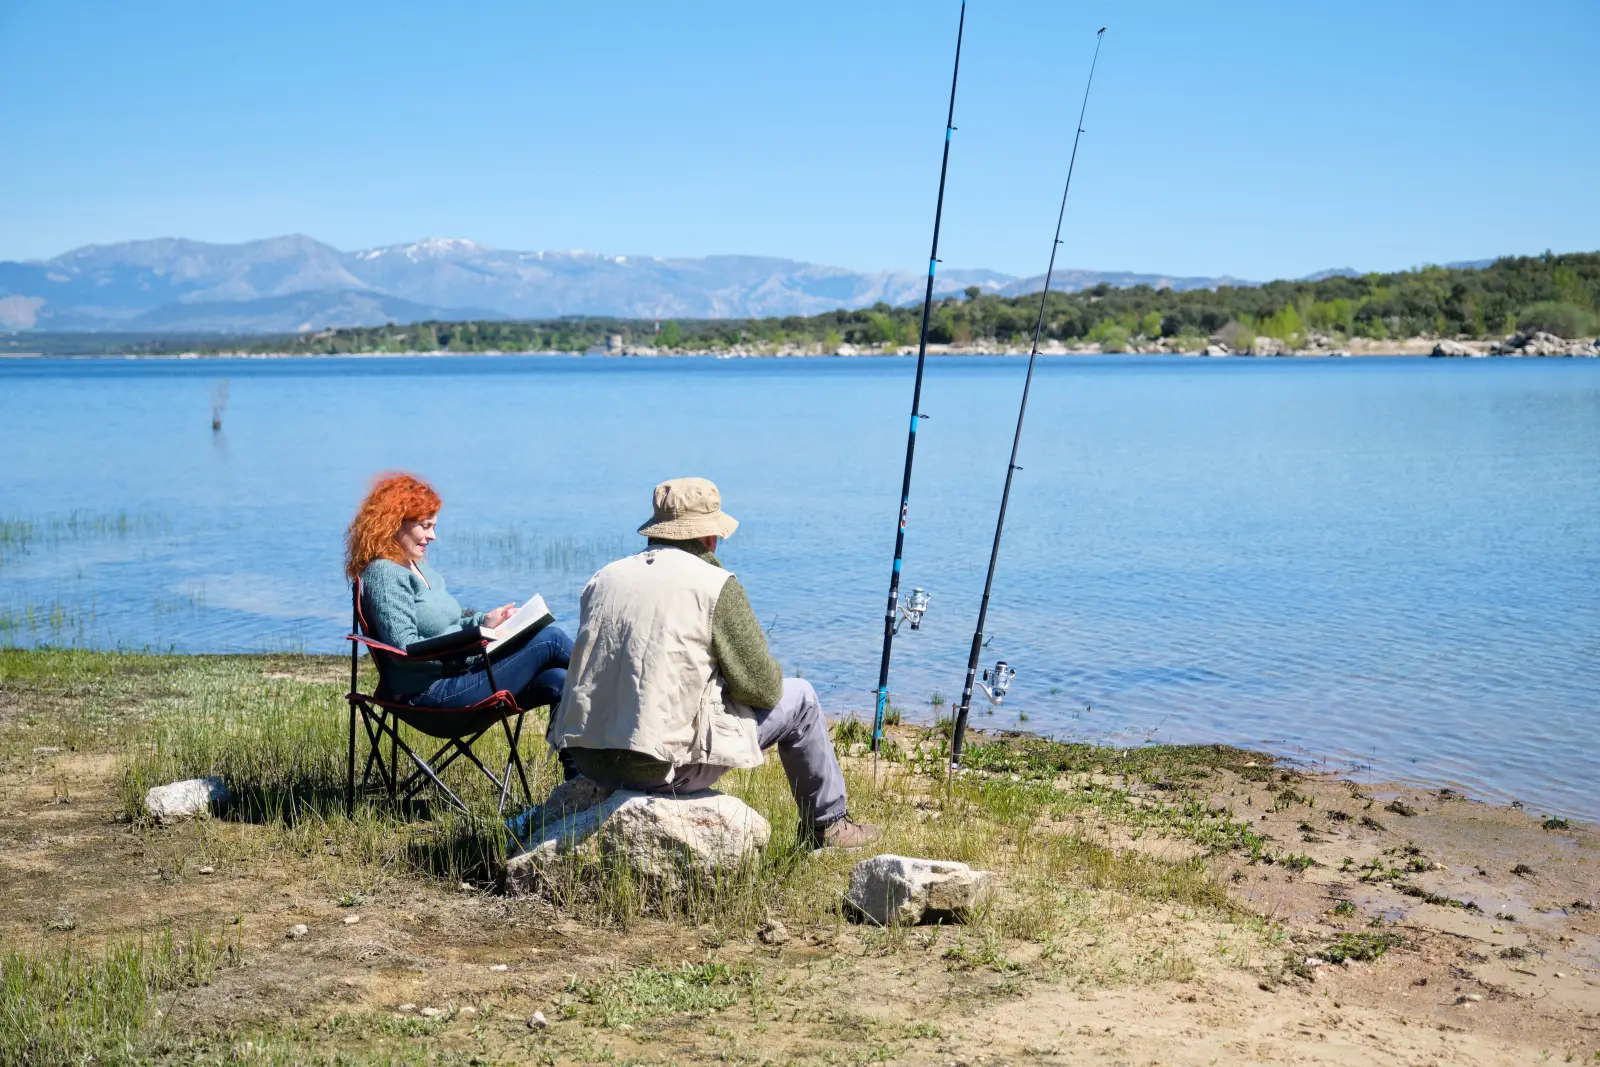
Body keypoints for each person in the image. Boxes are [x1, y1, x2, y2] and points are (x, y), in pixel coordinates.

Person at [548, 477, 880, 849]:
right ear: (709, 538)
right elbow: (764, 688)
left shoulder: (604, 578)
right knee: (801, 698)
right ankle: (829, 825)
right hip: (662, 769)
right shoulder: (714, 584)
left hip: (591, 759)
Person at [344, 472, 576, 777]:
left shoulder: (418, 567)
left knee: (560, 680)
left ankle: (579, 779)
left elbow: (444, 626)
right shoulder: (385, 574)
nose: (432, 537)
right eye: (425, 526)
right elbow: (404, 646)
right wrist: (473, 645)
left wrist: (483, 622)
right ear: (393, 522)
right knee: (551, 640)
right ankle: (622, 687)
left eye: (433, 527)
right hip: (431, 695)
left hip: (459, 676)